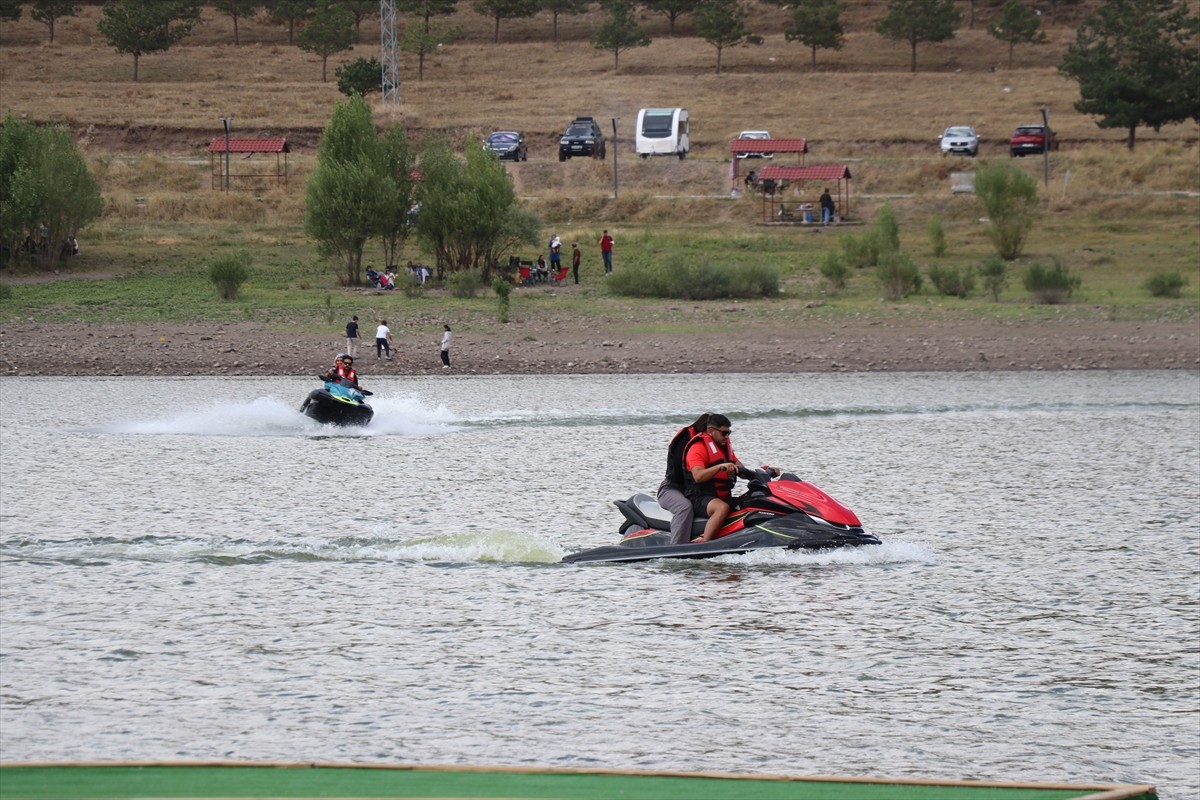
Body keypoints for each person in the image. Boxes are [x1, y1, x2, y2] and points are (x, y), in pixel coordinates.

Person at [683, 414, 780, 543]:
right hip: (699, 498)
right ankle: (705, 544)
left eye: (729, 433)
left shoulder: (724, 449)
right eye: (724, 433)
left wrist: (765, 471)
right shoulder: (697, 448)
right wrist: (719, 467)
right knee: (721, 508)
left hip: (721, 496)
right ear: (711, 431)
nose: (727, 436)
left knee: (752, 501)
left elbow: (742, 470)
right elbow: (698, 476)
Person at [657, 414, 710, 545]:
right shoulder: (687, 442)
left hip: (694, 492)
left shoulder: (715, 446)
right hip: (671, 489)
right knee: (684, 507)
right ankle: (677, 547)